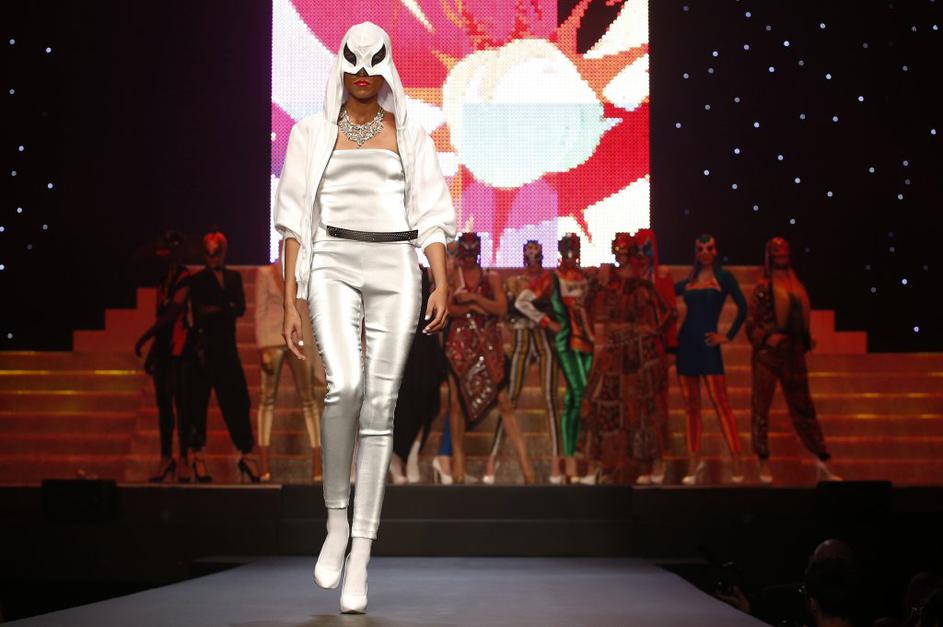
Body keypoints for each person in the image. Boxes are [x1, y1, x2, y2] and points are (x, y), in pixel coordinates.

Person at [273, 22, 455, 614]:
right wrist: (290, 301)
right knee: (344, 386)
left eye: (374, 62)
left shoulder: (410, 132)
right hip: (332, 260)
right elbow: (293, 222)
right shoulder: (311, 132)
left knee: (380, 407)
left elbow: (431, 212)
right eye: (353, 61)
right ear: (341, 64)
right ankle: (335, 521)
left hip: (396, 266)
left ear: (387, 67)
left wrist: (441, 279)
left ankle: (361, 553)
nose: (362, 72)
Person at [579, 232, 675, 484]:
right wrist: (591, 335)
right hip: (614, 349)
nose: (621, 257)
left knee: (645, 409)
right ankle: (606, 466)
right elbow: (582, 304)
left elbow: (670, 311)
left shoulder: (642, 285)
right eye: (618, 252)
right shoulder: (606, 281)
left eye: (625, 252)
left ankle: (654, 465)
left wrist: (652, 331)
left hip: (641, 353)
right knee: (606, 404)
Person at [745, 237, 841, 483]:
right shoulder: (763, 287)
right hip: (768, 355)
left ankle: (822, 459)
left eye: (785, 250)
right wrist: (767, 338)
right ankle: (762, 460)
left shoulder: (797, 285)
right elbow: (751, 324)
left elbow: (798, 319)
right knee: (761, 409)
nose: (781, 254)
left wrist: (805, 339)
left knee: (804, 408)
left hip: (793, 352)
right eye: (776, 251)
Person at [444, 232, 535, 485]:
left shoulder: (491, 277)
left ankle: (527, 469)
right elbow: (448, 308)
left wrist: (474, 299)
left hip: (489, 345)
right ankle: (458, 464)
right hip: (460, 346)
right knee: (456, 403)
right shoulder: (453, 276)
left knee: (504, 402)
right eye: (465, 253)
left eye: (472, 252)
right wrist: (472, 308)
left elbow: (501, 309)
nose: (468, 258)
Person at [484, 240, 562, 484]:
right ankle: (492, 459)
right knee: (510, 398)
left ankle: (557, 462)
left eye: (536, 258)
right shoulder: (513, 282)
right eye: (529, 258)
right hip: (521, 338)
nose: (532, 262)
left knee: (550, 399)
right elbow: (508, 313)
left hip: (544, 339)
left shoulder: (550, 280)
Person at [187, 230, 262, 483]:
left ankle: (246, 453)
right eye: (209, 253)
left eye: (216, 252)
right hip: (203, 349)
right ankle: (197, 455)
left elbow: (238, 308)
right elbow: (201, 311)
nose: (212, 257)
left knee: (238, 401)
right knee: (198, 403)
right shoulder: (197, 280)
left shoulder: (232, 277)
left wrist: (218, 309)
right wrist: (223, 308)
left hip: (227, 349)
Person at [674, 234, 747, 485]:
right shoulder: (689, 280)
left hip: (708, 346)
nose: (705, 252)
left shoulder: (724, 278)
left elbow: (743, 307)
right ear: (696, 252)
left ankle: (737, 461)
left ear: (716, 250)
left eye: (710, 248)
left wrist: (727, 336)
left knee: (721, 403)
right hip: (686, 345)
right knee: (691, 406)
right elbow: (663, 292)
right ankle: (694, 463)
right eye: (701, 249)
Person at [254, 253, 325, 482]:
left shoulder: (303, 273)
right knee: (267, 400)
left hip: (298, 338)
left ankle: (317, 464)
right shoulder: (266, 273)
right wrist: (262, 346)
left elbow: (306, 310)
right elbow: (260, 311)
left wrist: (313, 354)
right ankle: (263, 464)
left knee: (309, 399)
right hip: (273, 339)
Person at [134, 230, 194, 483]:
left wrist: (145, 337)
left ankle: (184, 459)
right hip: (164, 350)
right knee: (164, 408)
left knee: (182, 406)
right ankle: (166, 457)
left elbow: (173, 313)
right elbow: (161, 315)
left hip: (180, 347)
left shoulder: (184, 276)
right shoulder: (162, 280)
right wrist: (152, 349)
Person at [388, 263, 449, 484]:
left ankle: (413, 453)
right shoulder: (388, 266)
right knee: (397, 403)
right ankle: (395, 459)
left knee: (430, 400)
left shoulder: (428, 269)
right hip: (398, 340)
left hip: (424, 340)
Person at [551, 233, 595, 484]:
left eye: (574, 249)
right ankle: (570, 458)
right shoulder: (554, 276)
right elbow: (526, 301)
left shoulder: (585, 277)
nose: (571, 254)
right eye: (567, 250)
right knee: (579, 394)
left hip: (588, 342)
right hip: (567, 341)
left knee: (575, 397)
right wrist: (547, 323)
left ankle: (576, 459)